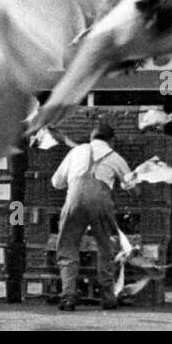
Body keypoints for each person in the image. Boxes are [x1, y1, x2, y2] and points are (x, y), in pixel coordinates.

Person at [51, 121, 131, 311]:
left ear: (91, 138)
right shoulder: (115, 156)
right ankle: (108, 297)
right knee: (105, 248)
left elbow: (56, 182)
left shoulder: (76, 151)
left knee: (67, 247)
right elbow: (130, 185)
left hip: (74, 200)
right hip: (100, 203)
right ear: (111, 141)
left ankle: (68, 296)